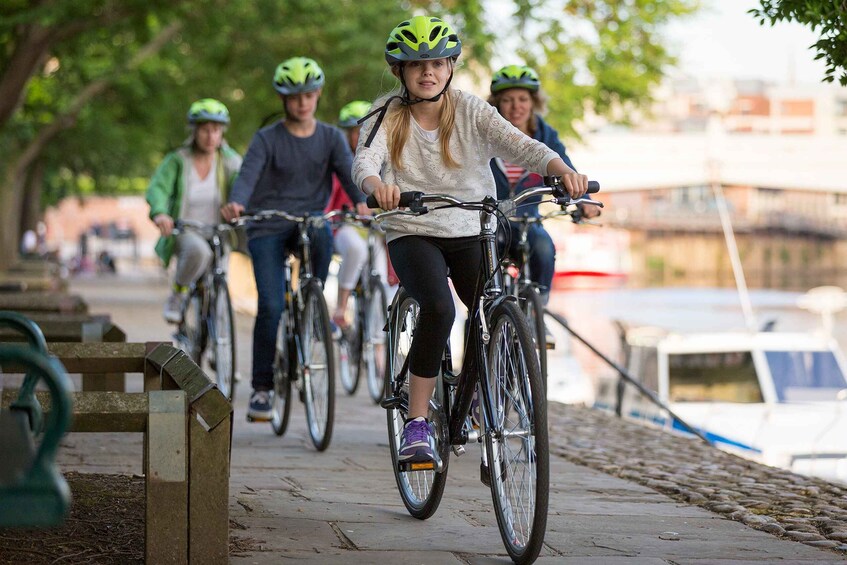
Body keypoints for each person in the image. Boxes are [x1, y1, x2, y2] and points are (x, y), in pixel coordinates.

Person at [352, 15, 589, 463]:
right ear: (399, 71)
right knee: (439, 309)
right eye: (417, 64)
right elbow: (366, 160)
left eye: (438, 63)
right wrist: (374, 186)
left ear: (451, 67)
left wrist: (563, 172)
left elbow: (523, 145)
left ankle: (480, 398)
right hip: (413, 228)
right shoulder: (386, 114)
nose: (428, 72)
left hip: (472, 228)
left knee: (490, 312)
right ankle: (418, 424)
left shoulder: (471, 109)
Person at [220, 57, 367, 422]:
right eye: (294, 96)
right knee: (270, 305)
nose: (302, 102)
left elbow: (349, 177)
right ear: (284, 99)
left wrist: (363, 201)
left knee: (321, 230)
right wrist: (238, 201)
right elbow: (248, 174)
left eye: (309, 94)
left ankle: (312, 298)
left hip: (307, 222)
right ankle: (262, 389)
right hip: (267, 224)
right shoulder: (267, 138)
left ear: (317, 95)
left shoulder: (332, 137)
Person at [488, 64, 599, 344]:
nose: (516, 106)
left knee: (543, 247)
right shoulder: (485, 132)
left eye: (523, 99)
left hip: (528, 220)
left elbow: (567, 171)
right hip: (491, 220)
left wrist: (583, 199)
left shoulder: (545, 136)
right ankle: (485, 312)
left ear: (533, 102)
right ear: (497, 103)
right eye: (507, 100)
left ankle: (538, 312)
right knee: (486, 251)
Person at [146, 98, 243, 324]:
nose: (210, 136)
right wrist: (160, 213)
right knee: (200, 252)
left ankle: (217, 339)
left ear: (222, 133)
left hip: (220, 230)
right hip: (187, 229)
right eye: (205, 130)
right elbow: (158, 188)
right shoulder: (177, 160)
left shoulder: (230, 161)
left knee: (221, 280)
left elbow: (243, 182)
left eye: (216, 130)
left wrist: (239, 203)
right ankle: (178, 294)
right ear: (194, 131)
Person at [326, 100, 374, 329]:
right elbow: (328, 198)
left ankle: (378, 345)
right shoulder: (339, 161)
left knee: (383, 280)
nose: (358, 137)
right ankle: (341, 308)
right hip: (344, 226)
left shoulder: (382, 160)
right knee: (356, 249)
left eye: (363, 131)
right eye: (353, 132)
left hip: (375, 229)